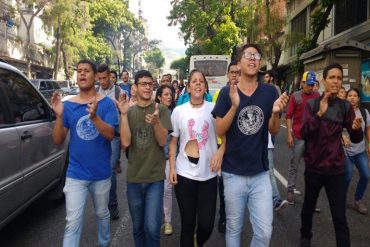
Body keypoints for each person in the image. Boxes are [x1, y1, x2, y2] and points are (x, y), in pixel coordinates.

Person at [212, 43, 289, 247]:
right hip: (233, 174)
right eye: (248, 55)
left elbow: (273, 130)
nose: (253, 59)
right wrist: (235, 106)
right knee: (234, 229)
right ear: (239, 62)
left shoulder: (270, 92)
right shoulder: (227, 93)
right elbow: (219, 130)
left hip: (260, 174)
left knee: (264, 232)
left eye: (256, 55)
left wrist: (274, 113)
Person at [52, 59, 119, 247]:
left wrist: (95, 117)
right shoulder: (68, 106)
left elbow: (111, 135)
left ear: (95, 76)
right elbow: (57, 140)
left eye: (86, 71)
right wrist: (59, 116)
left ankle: (104, 243)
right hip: (75, 174)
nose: (82, 74)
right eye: (79, 71)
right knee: (72, 222)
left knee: (102, 214)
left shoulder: (106, 104)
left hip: (101, 174)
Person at [299, 63, 363, 247]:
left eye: (339, 78)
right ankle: (305, 236)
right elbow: (304, 133)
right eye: (332, 78)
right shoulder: (312, 104)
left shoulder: (345, 107)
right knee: (308, 208)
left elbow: (355, 137)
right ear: (324, 81)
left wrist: (356, 130)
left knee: (339, 215)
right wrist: (319, 114)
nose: (336, 81)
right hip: (314, 168)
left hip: (336, 169)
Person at [169, 69, 225, 247]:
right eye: (194, 81)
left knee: (207, 225)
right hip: (184, 175)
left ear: (205, 87)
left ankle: (198, 242)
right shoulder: (178, 111)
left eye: (201, 81)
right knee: (187, 224)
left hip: (208, 175)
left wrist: (219, 152)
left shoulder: (214, 110)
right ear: (188, 87)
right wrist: (171, 168)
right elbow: (173, 143)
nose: (198, 83)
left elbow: (226, 137)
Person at [117, 70, 172, 247]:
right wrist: (123, 115)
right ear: (135, 87)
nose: (148, 87)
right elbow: (125, 142)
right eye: (143, 84)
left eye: (150, 83)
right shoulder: (129, 112)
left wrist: (156, 123)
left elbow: (163, 141)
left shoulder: (161, 110)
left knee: (152, 227)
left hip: (155, 178)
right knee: (138, 227)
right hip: (134, 178)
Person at [212, 60, 239, 234]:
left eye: (238, 72)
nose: (235, 75)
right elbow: (218, 124)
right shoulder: (221, 94)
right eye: (232, 72)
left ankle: (235, 219)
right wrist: (221, 149)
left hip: (240, 148)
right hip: (222, 146)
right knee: (224, 186)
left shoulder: (247, 93)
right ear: (228, 75)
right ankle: (223, 216)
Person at [285, 71, 320, 204]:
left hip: (312, 138)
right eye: (308, 84)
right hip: (298, 136)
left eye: (312, 85)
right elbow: (288, 116)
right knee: (295, 164)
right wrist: (289, 134)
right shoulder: (296, 96)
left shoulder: (317, 96)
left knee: (311, 168)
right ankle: (290, 190)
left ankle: (310, 196)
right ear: (302, 83)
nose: (310, 87)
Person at [96, 64, 123, 220]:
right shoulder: (95, 92)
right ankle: (101, 204)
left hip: (115, 135)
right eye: (99, 79)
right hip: (99, 134)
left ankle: (112, 205)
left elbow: (125, 112)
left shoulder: (119, 92)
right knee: (100, 168)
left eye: (104, 78)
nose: (102, 81)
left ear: (110, 77)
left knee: (110, 168)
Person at [343, 88, 370, 215]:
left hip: (360, 151)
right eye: (350, 95)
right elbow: (334, 129)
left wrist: (369, 144)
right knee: (347, 177)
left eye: (355, 96)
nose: (352, 98)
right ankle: (340, 199)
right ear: (346, 98)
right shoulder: (341, 112)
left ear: (358, 98)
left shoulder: (364, 112)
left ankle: (358, 200)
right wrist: (343, 137)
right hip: (346, 152)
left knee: (366, 175)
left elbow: (368, 130)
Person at [154, 85, 175, 235]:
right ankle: (154, 220)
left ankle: (168, 222)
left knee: (167, 189)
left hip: (169, 158)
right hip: (154, 159)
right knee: (155, 190)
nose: (169, 97)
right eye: (166, 94)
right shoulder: (153, 112)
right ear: (159, 97)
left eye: (171, 94)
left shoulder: (175, 113)